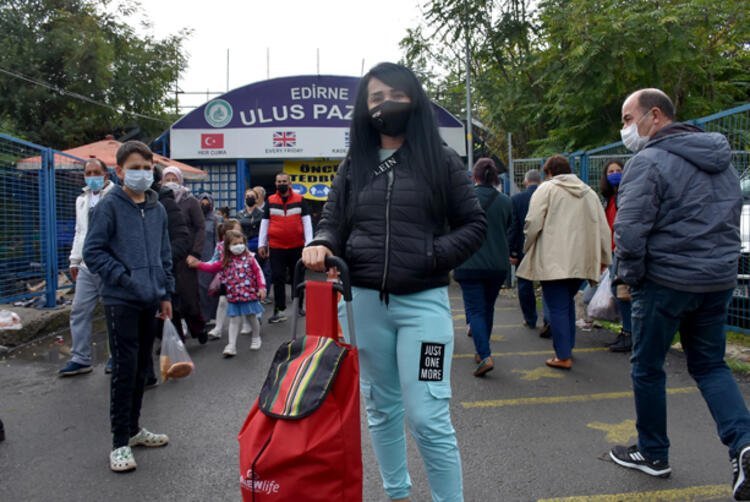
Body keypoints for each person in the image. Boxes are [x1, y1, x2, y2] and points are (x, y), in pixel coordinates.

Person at [303, 62, 486, 502]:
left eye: (396, 95)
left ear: (414, 100)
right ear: (365, 109)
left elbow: (474, 224)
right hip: (364, 305)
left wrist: (432, 255)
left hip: (424, 307)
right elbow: (333, 221)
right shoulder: (355, 165)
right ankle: (397, 495)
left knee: (428, 416)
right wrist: (323, 243)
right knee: (381, 409)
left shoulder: (440, 159)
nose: (387, 105)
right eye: (376, 98)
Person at [609, 89, 750, 500]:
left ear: (655, 115)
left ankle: (653, 453)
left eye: (628, 118)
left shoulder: (647, 162)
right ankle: (744, 444)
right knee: (710, 366)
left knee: (647, 367)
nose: (625, 129)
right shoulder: (721, 162)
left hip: (665, 282)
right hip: (716, 281)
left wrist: (631, 279)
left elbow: (629, 233)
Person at [83, 140, 173, 473]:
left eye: (147, 168)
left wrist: (166, 293)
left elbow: (164, 254)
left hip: (150, 299)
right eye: (135, 168)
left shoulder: (158, 209)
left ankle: (134, 429)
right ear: (119, 171)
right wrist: (123, 278)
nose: (142, 173)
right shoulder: (109, 206)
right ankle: (119, 442)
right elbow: (93, 251)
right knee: (124, 369)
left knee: (140, 370)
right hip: (120, 300)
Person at [516, 155, 611, 370]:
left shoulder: (546, 189)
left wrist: (527, 245)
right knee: (567, 302)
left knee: (557, 306)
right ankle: (568, 347)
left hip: (552, 259)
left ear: (549, 173)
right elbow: (603, 228)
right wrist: (604, 257)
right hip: (582, 260)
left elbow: (533, 222)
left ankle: (562, 355)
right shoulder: (589, 193)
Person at [454, 158, 512, 377]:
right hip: (497, 264)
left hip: (469, 263)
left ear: (474, 176)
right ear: (495, 177)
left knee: (476, 310)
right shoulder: (505, 201)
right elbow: (509, 228)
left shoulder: (463, 200)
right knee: (488, 308)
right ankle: (481, 351)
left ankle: (485, 355)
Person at [59, 158, 116, 377]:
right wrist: (74, 260)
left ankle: (115, 356)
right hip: (86, 266)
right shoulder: (81, 200)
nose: (92, 177)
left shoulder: (116, 196)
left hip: (109, 263)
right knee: (79, 310)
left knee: (113, 312)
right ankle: (80, 358)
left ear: (106, 175)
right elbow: (79, 231)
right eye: (88, 173)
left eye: (96, 172)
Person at [142, 166, 192, 388]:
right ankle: (145, 372)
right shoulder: (121, 202)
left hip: (162, 275)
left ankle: (171, 361)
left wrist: (160, 260)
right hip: (132, 280)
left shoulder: (164, 203)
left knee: (166, 318)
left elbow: (182, 238)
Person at [188, 230, 266, 356]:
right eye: (235, 244)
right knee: (233, 320)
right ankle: (231, 345)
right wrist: (198, 264)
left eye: (241, 243)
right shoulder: (225, 261)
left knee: (252, 317)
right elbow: (211, 267)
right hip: (233, 297)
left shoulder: (250, 258)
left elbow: (258, 273)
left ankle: (256, 337)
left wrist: (262, 288)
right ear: (228, 246)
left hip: (249, 295)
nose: (239, 246)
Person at [258, 173, 313, 323]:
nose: (281, 183)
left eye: (284, 181)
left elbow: (307, 222)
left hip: (297, 247)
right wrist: (262, 244)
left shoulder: (300, 200)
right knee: (277, 277)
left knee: (298, 277)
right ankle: (279, 309)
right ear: (275, 184)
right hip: (276, 247)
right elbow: (265, 223)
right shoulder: (270, 200)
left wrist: (309, 244)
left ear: (289, 183)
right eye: (279, 181)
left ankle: (298, 306)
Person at [162, 166, 207, 343]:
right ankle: (176, 338)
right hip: (167, 255)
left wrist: (195, 253)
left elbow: (200, 227)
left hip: (186, 256)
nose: (170, 183)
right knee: (170, 298)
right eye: (167, 180)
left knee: (189, 297)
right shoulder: (159, 201)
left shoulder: (190, 201)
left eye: (174, 179)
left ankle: (198, 327)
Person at [508, 169, 549, 335]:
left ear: (525, 182)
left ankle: (530, 318)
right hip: (546, 248)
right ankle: (548, 319)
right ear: (540, 181)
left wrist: (512, 251)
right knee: (548, 284)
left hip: (523, 247)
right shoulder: (548, 197)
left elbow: (514, 227)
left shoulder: (516, 199)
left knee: (525, 284)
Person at [598, 159, 632, 353]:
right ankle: (626, 331)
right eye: (611, 172)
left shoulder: (625, 196)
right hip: (612, 251)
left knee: (622, 292)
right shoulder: (609, 199)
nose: (615, 174)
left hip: (622, 250)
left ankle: (629, 333)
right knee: (618, 292)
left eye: (618, 170)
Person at [198, 193, 220, 325]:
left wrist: (218, 257)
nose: (204, 205)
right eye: (202, 203)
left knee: (212, 287)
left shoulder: (215, 220)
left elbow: (218, 240)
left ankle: (213, 315)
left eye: (207, 203)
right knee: (200, 288)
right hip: (198, 257)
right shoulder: (195, 218)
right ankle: (203, 316)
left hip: (211, 257)